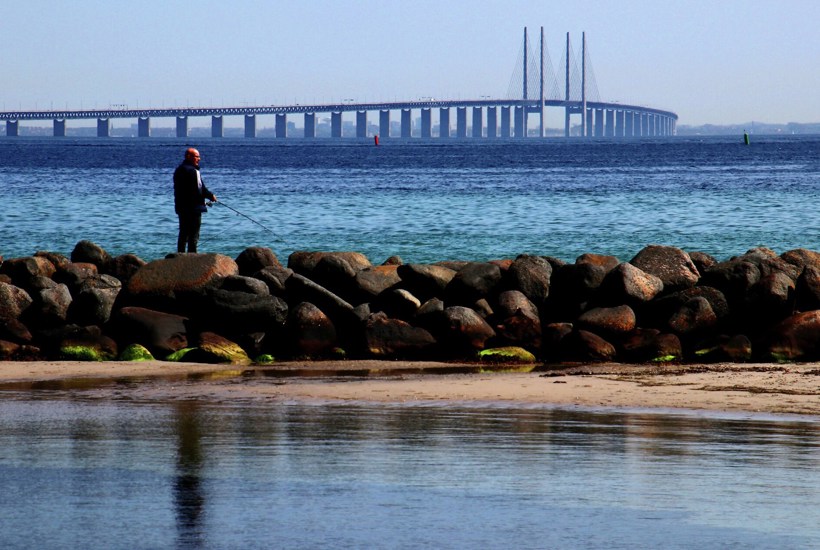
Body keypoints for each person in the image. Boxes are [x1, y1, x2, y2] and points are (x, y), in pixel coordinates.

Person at [173, 147, 216, 253]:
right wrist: (211, 196)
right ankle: (193, 257)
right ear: (188, 157)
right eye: (197, 156)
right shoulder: (193, 171)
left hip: (181, 207)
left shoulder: (178, 170)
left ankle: (180, 256)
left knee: (183, 233)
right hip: (194, 208)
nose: (199, 159)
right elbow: (200, 189)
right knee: (193, 235)